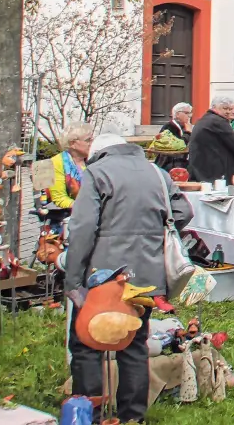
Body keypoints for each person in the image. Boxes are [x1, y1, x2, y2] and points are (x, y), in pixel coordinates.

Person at [64, 131, 193, 423]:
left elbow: (82, 229)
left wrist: (73, 281)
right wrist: (152, 231)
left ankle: (89, 414)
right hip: (147, 275)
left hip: (104, 277)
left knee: (87, 343)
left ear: (99, 154)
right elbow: (184, 211)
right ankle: (133, 417)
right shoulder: (157, 173)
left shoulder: (96, 173)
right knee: (134, 344)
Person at [187, 94, 234, 186]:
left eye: (231, 109)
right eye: (225, 109)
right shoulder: (218, 121)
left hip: (200, 169)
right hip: (213, 173)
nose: (229, 112)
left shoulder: (204, 119)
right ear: (214, 107)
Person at [48, 123, 93, 210]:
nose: (91, 143)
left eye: (92, 140)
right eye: (88, 140)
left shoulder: (94, 161)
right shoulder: (56, 162)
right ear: (73, 143)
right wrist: (88, 208)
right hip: (68, 216)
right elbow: (60, 199)